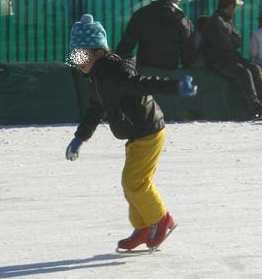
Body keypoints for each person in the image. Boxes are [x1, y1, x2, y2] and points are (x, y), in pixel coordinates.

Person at [65, 14, 197, 251]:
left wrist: (174, 86)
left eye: (80, 54)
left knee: (135, 181)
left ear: (97, 52)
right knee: (131, 183)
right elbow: (96, 108)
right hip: (137, 133)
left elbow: (144, 83)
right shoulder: (96, 77)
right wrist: (80, 137)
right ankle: (144, 226)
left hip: (148, 130)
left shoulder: (115, 72)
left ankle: (161, 220)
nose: (76, 61)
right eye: (74, 56)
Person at [201, 0, 262, 119]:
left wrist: (233, 41)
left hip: (230, 56)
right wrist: (233, 41)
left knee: (255, 68)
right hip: (217, 59)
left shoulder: (226, 20)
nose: (235, 10)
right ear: (229, 6)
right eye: (235, 6)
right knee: (243, 72)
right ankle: (254, 106)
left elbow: (236, 40)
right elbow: (226, 45)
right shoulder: (216, 21)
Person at [116, 0, 192, 70]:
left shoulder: (142, 14)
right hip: (170, 69)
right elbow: (186, 46)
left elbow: (127, 42)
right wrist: (187, 65)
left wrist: (124, 63)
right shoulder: (181, 18)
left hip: (144, 68)